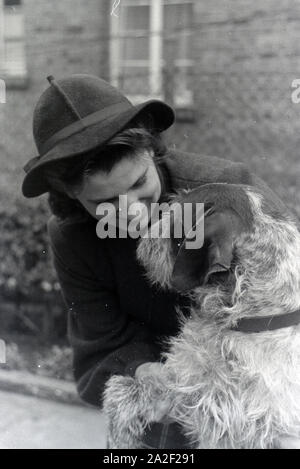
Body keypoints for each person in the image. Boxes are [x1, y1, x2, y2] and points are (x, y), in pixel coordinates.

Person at [21, 74, 292, 449]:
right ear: (71, 194)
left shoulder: (229, 191)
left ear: (150, 149)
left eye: (137, 185)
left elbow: (288, 293)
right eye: (104, 203)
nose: (129, 212)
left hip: (248, 396)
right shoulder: (71, 236)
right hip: (155, 407)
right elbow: (101, 333)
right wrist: (144, 371)